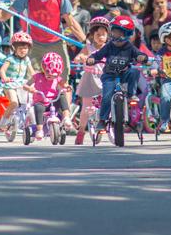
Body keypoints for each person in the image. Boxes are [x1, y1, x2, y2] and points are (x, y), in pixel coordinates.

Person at [4, 0, 85, 84]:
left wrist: (86, 42)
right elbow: (4, 16)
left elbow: (72, 23)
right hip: (35, 44)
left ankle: (65, 105)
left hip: (57, 43)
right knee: (33, 81)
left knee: (62, 82)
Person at [86, 15, 147, 125]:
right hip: (110, 75)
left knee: (135, 72)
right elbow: (98, 55)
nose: (115, 34)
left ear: (126, 34)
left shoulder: (129, 46)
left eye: (118, 32)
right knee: (107, 97)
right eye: (113, 31)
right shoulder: (109, 46)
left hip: (124, 74)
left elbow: (139, 54)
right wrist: (92, 59)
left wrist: (142, 57)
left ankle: (131, 94)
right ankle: (102, 120)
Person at [73, 16, 109, 144]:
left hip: (104, 78)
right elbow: (80, 55)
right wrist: (81, 58)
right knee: (86, 108)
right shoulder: (88, 47)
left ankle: (107, 122)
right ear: (92, 35)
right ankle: (81, 131)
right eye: (97, 34)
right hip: (89, 79)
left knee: (108, 100)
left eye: (103, 35)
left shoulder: (108, 47)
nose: (100, 37)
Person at [25, 52, 72, 140]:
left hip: (53, 102)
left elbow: (64, 84)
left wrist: (67, 87)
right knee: (38, 107)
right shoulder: (37, 76)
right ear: (43, 68)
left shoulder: (58, 78)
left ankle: (66, 117)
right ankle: (39, 130)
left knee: (61, 95)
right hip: (41, 101)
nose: (50, 76)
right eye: (48, 73)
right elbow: (26, 85)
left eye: (53, 75)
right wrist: (29, 88)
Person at [0, 31, 34, 131]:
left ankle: (25, 123)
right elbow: (2, 70)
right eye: (20, 48)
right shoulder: (10, 59)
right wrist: (4, 77)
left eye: (25, 48)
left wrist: (38, 80)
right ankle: (3, 122)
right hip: (9, 83)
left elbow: (32, 73)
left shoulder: (27, 60)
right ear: (14, 48)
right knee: (14, 102)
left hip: (21, 84)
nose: (23, 50)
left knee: (28, 104)